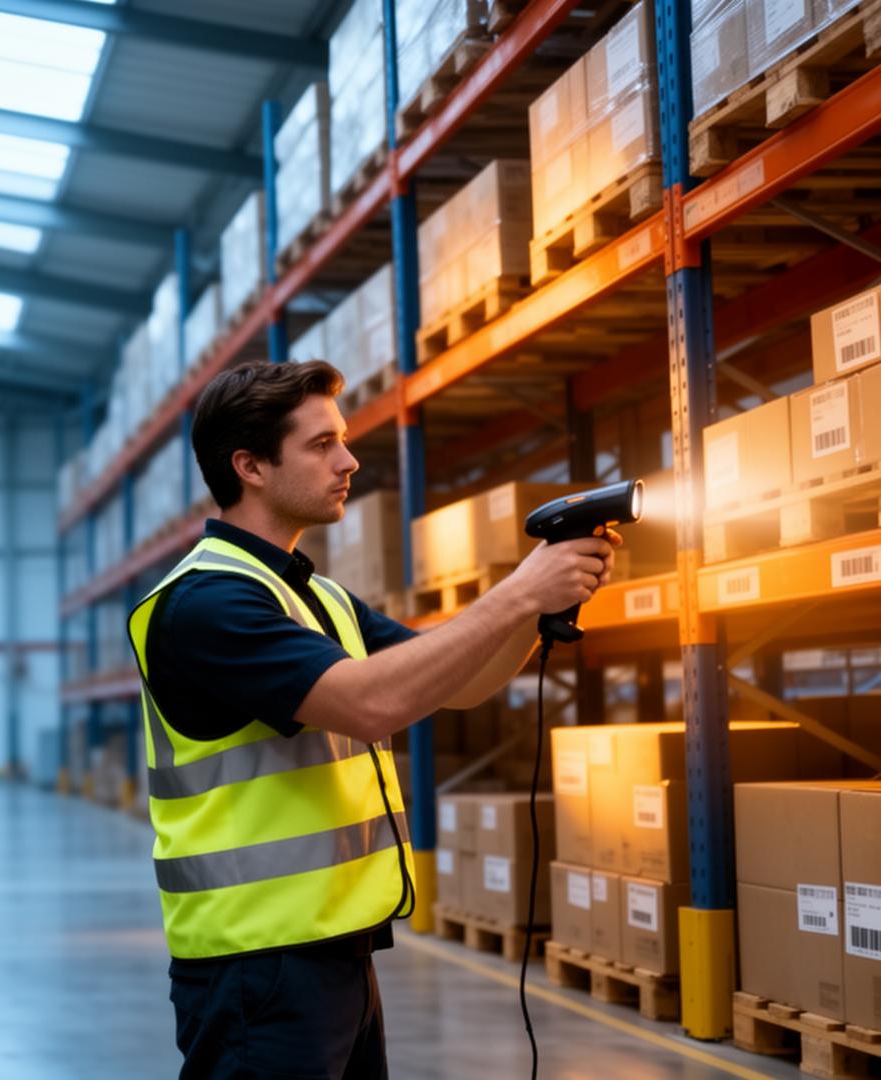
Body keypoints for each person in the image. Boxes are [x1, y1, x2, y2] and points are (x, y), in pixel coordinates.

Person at [128, 360, 620, 1079]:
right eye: (321, 444)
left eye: (344, 440)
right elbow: (371, 703)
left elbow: (460, 682)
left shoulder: (318, 595)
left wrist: (538, 602)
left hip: (339, 952)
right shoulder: (206, 604)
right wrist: (516, 595)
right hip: (255, 967)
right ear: (250, 466)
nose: (348, 460)